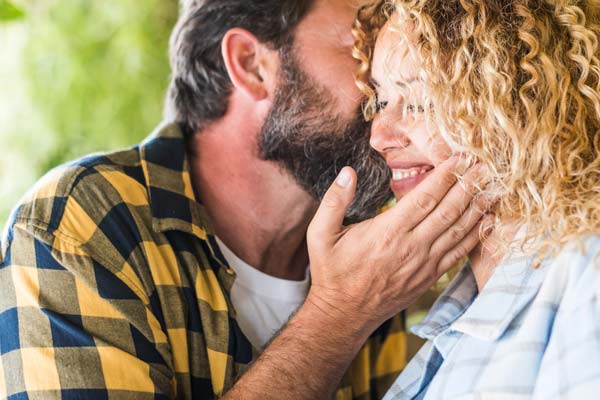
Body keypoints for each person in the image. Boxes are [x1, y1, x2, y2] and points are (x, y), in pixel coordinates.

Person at [0, 1, 486, 399]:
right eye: (362, 54)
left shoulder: (377, 249)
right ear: (253, 66)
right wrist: (340, 314)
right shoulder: (77, 226)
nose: (388, 92)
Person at [353, 0, 600, 398]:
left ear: (521, 106)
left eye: (419, 101)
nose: (379, 137)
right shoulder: (459, 311)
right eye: (381, 101)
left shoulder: (587, 279)